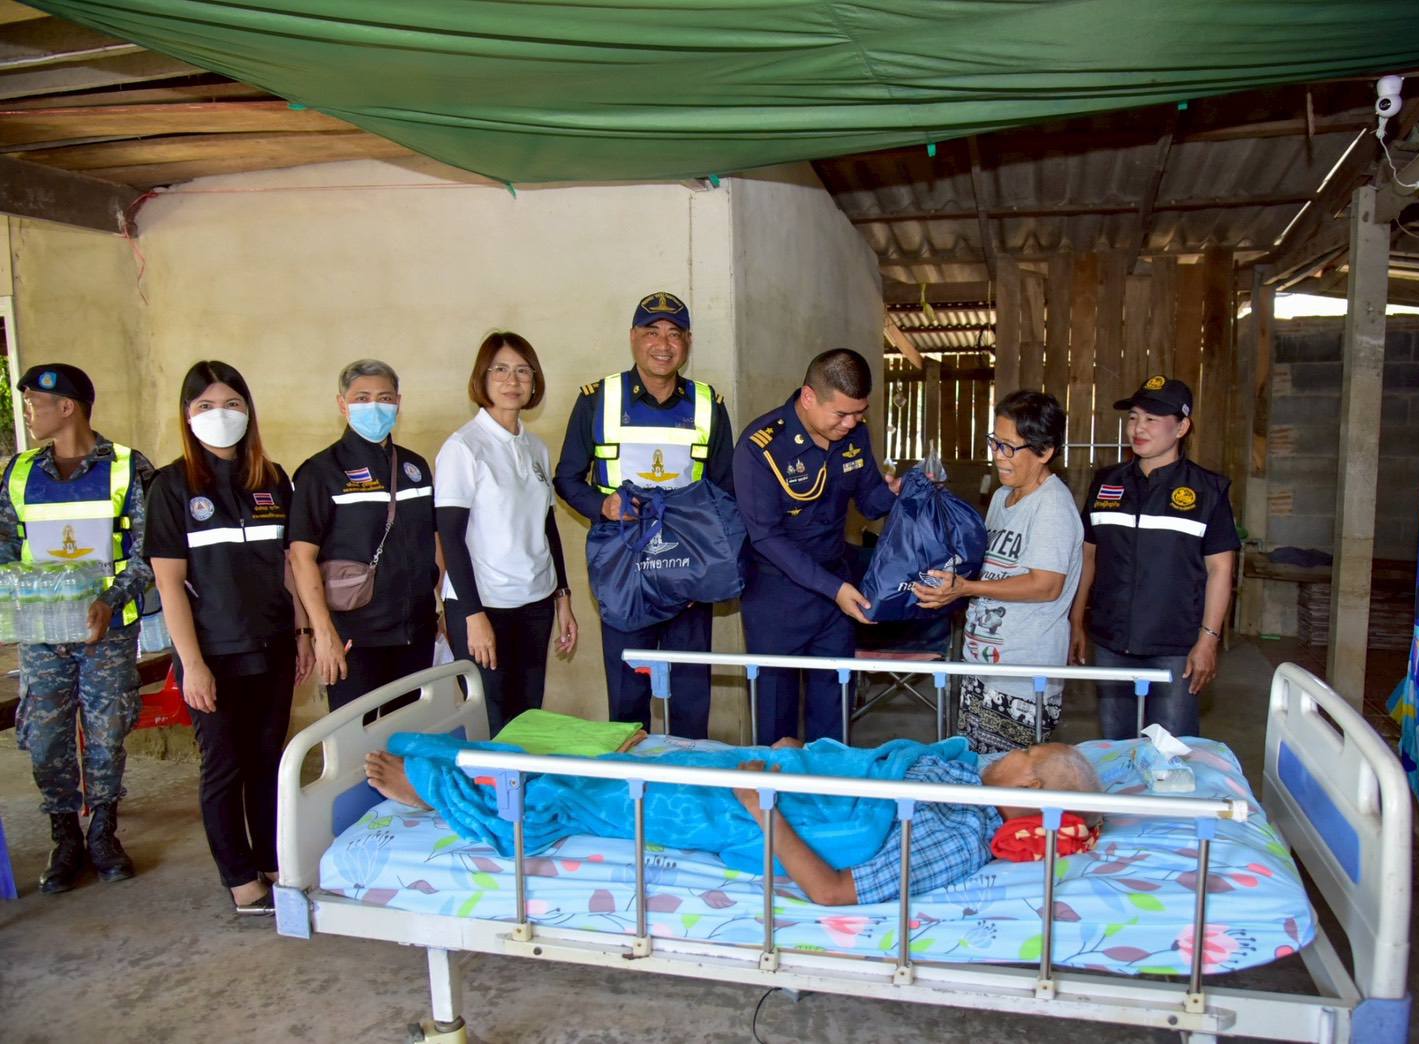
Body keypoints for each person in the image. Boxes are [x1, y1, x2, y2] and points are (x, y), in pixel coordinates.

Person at [363, 737, 1100, 907]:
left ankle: (442, 786)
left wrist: (763, 806)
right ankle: (462, 765)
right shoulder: (964, 778)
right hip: (788, 777)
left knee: (597, 790)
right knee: (602, 767)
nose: (1010, 752)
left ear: (1031, 786)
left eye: (1025, 754)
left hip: (764, 807)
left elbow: (834, 891)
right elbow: (870, 766)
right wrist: (806, 758)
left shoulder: (956, 835)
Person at [145, 361, 312, 914]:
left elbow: (289, 565)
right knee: (225, 764)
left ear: (249, 411)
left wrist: (302, 631)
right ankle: (241, 880)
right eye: (206, 406)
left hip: (273, 644)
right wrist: (191, 664)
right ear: (187, 415)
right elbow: (169, 583)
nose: (221, 415)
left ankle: (271, 861)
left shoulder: (272, 478)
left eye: (232, 404)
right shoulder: (171, 486)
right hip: (213, 652)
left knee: (267, 758)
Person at [0, 363, 154, 893]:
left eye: (33, 404)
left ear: (67, 407)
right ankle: (63, 836)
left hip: (106, 632)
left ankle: (104, 833)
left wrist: (109, 602)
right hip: (42, 633)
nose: (28, 414)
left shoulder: (127, 468)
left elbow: (149, 553)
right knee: (45, 736)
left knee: (107, 733)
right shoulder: (20, 472)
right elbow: (5, 547)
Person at [554, 291, 734, 738]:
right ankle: (630, 777)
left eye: (674, 334)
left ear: (688, 342)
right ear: (633, 337)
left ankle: (688, 777)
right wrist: (603, 506)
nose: (663, 344)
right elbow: (567, 478)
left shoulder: (709, 404)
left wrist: (704, 572)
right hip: (624, 574)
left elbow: (726, 492)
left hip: (687, 574)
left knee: (690, 695)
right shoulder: (597, 399)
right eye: (652, 332)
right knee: (627, 698)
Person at [733, 348, 901, 745]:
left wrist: (898, 492)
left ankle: (829, 782)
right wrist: (835, 589)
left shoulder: (854, 434)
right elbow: (766, 537)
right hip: (777, 598)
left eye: (859, 413)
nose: (851, 423)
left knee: (833, 714)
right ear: (809, 397)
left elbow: (869, 503)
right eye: (841, 414)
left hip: (835, 595)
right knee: (775, 724)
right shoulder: (761, 447)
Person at [1068, 376, 1239, 739]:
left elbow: (1220, 569)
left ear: (1182, 427)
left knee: (1169, 750)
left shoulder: (1208, 490)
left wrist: (1208, 640)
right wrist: (1077, 621)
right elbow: (1088, 555)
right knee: (1116, 746)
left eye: (1151, 419)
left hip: (1175, 647)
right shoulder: (1107, 483)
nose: (1138, 428)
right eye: (1133, 417)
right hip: (1111, 641)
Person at [912, 391, 1082, 752]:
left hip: (1021, 680)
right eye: (995, 442)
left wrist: (966, 588)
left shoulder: (1052, 506)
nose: (997, 455)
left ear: (1044, 451)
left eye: (1008, 447)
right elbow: (992, 568)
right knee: (977, 769)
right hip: (983, 665)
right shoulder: (1004, 498)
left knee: (1009, 777)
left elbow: (1046, 585)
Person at [436, 332, 578, 739]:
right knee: (491, 719)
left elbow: (547, 528)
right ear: (482, 378)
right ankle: (491, 786)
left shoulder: (536, 448)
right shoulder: (464, 447)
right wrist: (473, 616)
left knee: (527, 717)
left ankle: (521, 783)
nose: (512, 380)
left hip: (535, 602)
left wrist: (562, 598)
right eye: (500, 370)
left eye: (522, 371)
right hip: (483, 604)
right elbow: (450, 536)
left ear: (534, 381)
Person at [289, 359, 439, 714]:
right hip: (354, 639)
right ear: (342, 404)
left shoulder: (415, 468)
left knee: (407, 735)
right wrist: (322, 632)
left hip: (415, 633)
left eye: (384, 398)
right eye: (362, 398)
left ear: (398, 403)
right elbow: (300, 558)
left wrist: (444, 606)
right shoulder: (320, 472)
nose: (374, 406)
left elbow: (433, 541)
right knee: (358, 737)